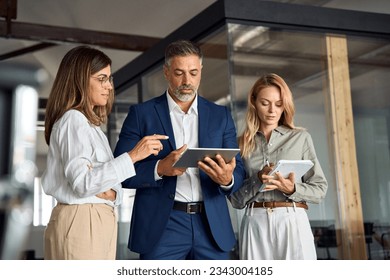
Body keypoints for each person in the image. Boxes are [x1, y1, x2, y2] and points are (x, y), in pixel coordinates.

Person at [114, 39, 246, 260]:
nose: (187, 81)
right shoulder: (141, 114)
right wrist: (160, 168)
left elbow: (239, 169)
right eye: (179, 73)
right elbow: (119, 172)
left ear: (201, 71)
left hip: (211, 226)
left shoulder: (220, 115)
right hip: (162, 227)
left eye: (193, 73)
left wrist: (227, 180)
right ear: (166, 72)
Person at [41, 46, 168, 260]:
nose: (109, 86)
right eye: (102, 78)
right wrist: (133, 156)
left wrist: (111, 191)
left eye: (109, 79)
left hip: (94, 220)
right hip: (82, 221)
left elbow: (108, 188)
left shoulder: (91, 127)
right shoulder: (73, 120)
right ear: (80, 80)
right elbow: (83, 184)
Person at [229, 73, 328, 260]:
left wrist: (292, 189)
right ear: (254, 102)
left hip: (292, 218)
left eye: (278, 103)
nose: (272, 110)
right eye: (265, 103)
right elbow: (236, 200)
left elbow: (320, 189)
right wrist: (258, 180)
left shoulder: (300, 138)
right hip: (254, 220)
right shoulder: (240, 144)